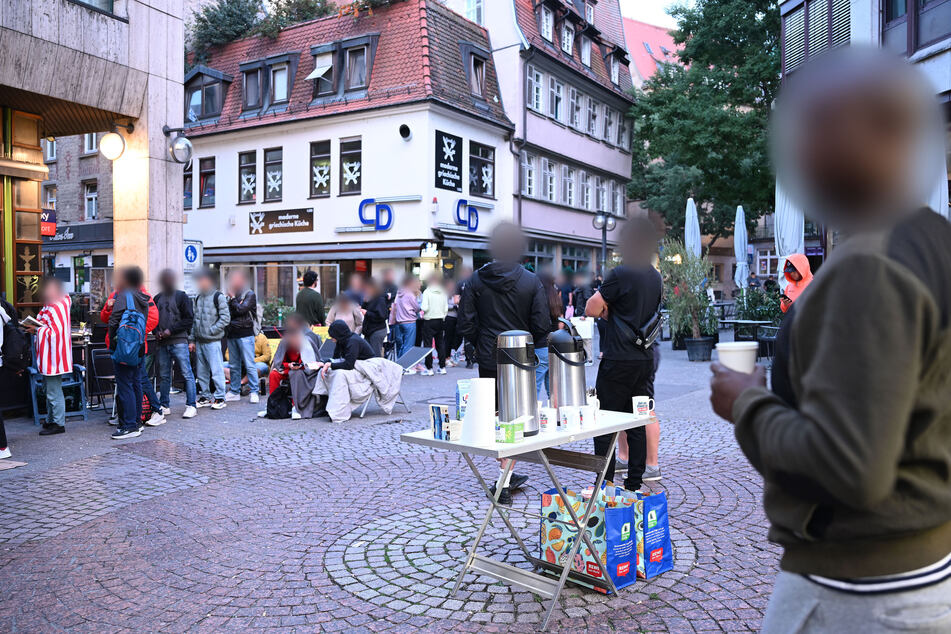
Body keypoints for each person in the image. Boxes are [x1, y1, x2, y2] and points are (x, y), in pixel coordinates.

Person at [710, 49, 951, 631]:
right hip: (919, 563)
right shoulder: (933, 238)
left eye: (815, 127)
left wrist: (747, 402)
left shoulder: (869, 269)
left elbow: (853, 467)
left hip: (861, 587)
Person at [459, 222, 550, 504]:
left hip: (489, 354)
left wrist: (479, 340)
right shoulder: (530, 280)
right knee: (515, 418)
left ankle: (505, 476)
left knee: (495, 416)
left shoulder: (476, 280)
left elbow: (466, 321)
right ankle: (506, 476)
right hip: (520, 357)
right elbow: (542, 324)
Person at [585, 217, 662, 493]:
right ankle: (633, 483)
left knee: (605, 421)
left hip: (618, 358)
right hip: (644, 359)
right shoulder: (656, 276)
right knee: (636, 421)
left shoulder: (620, 273)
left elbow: (592, 308)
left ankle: (604, 481)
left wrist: (605, 307)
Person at [107, 266, 154, 439]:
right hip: (139, 347)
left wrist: (114, 342)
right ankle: (136, 423)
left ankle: (129, 425)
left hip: (125, 347)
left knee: (125, 385)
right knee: (136, 384)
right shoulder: (142, 297)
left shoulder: (124, 295)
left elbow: (113, 321)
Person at [27, 277, 72, 436]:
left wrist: (36, 329)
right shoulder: (59, 304)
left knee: (53, 391)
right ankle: (52, 419)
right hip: (55, 356)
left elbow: (55, 333)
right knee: (51, 389)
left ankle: (58, 423)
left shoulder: (55, 307)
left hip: (54, 357)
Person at [154, 269, 198, 419]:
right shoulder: (157, 297)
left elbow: (189, 319)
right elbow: (152, 319)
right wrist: (156, 332)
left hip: (179, 340)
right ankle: (165, 405)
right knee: (164, 375)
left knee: (186, 373)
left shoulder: (181, 296)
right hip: (162, 341)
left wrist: (170, 330)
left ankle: (191, 404)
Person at [263, 313, 323, 419]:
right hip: (288, 370)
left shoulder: (307, 344)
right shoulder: (285, 344)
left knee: (296, 374)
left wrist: (297, 367)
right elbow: (279, 362)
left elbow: (311, 364)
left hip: (303, 372)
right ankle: (273, 403)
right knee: (274, 374)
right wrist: (287, 366)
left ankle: (296, 406)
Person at [191, 269, 230, 409]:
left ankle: (220, 397)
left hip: (212, 341)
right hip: (200, 341)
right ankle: (206, 396)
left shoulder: (218, 296)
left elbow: (225, 318)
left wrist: (211, 330)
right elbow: (194, 320)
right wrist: (192, 339)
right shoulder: (198, 297)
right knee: (201, 372)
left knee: (216, 370)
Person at [224, 270, 260, 404]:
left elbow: (241, 309)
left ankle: (254, 391)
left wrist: (232, 298)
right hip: (232, 333)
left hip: (245, 333)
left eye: (236, 278)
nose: (233, 282)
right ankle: (234, 391)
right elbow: (227, 313)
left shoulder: (249, 294)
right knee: (234, 365)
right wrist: (231, 299)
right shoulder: (229, 296)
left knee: (249, 364)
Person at [535, 271, 565, 399]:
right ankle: (557, 415)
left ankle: (531, 416)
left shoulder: (538, 298)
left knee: (534, 385)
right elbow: (561, 325)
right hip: (554, 346)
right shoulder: (556, 298)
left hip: (540, 345)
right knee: (553, 388)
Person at [419, 273, 449, 376]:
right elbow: (446, 308)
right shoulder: (443, 292)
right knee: (440, 344)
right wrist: (443, 315)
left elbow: (424, 307)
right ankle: (442, 367)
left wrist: (421, 310)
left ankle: (429, 368)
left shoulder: (427, 292)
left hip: (429, 320)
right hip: (440, 320)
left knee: (428, 345)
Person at [389, 276, 420, 360]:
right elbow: (417, 307)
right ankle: (405, 367)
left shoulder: (399, 293)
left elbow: (395, 306)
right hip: (410, 321)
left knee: (402, 345)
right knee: (408, 345)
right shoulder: (410, 294)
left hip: (399, 322)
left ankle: (399, 364)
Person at [361, 278, 389, 357]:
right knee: (367, 353)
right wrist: (364, 302)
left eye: (366, 288)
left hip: (377, 330)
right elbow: (365, 308)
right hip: (369, 330)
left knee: (375, 354)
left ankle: (377, 368)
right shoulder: (370, 297)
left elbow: (382, 316)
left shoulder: (380, 299)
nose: (365, 290)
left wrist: (367, 313)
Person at [443, 279, 460, 366]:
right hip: (448, 317)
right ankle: (446, 357)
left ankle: (451, 357)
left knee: (455, 338)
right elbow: (444, 305)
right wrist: (454, 306)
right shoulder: (445, 294)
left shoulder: (456, 294)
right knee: (448, 338)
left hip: (456, 318)